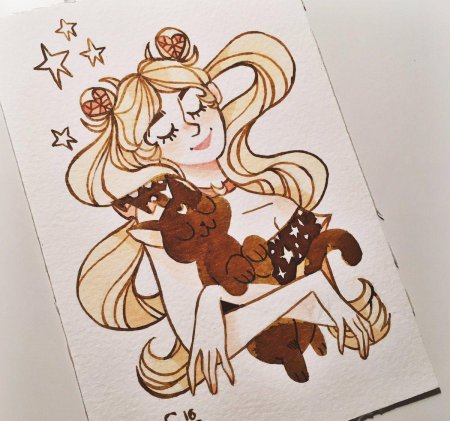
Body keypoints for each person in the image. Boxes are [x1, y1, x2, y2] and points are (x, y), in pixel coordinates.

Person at [67, 28, 390, 398]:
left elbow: (337, 297)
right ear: (148, 152)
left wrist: (321, 294)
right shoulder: (176, 227)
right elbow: (204, 338)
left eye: (197, 107)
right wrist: (216, 301)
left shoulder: (276, 200)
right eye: (168, 131)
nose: (194, 128)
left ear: (214, 96)